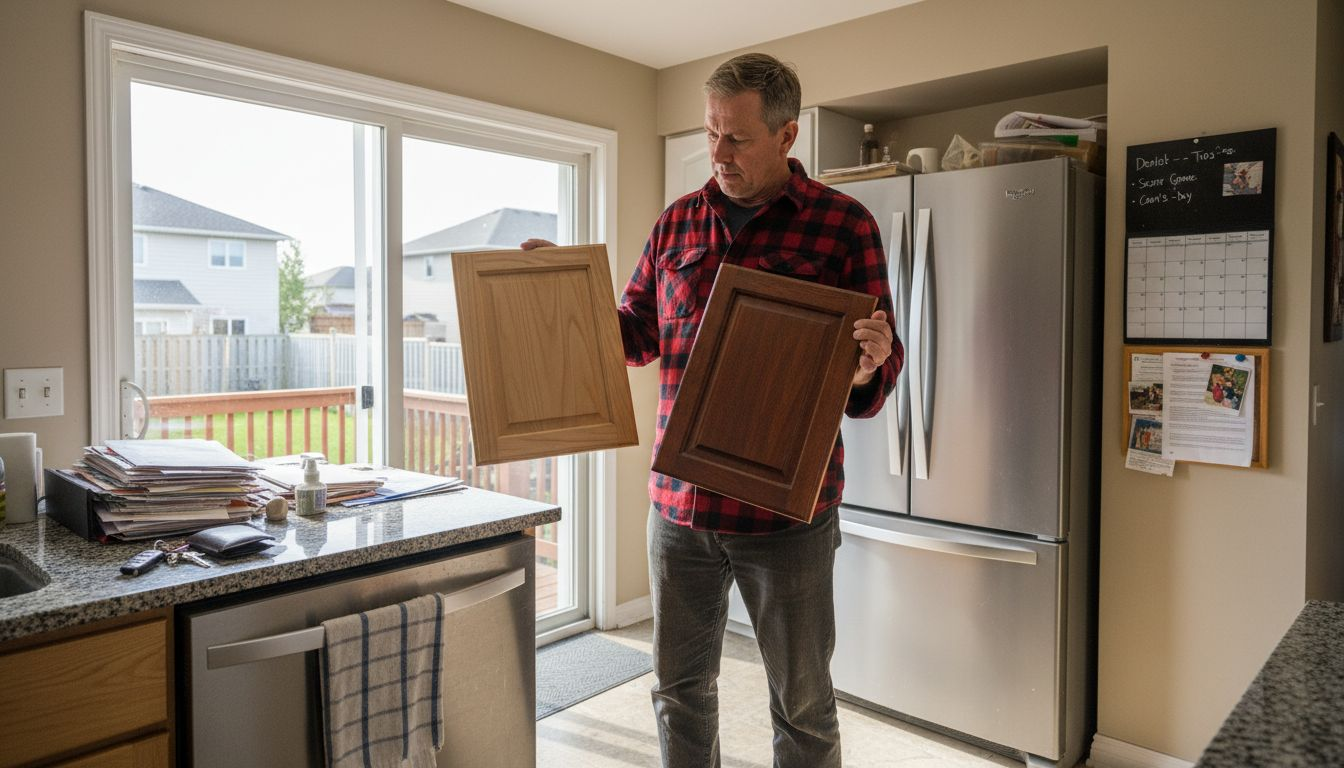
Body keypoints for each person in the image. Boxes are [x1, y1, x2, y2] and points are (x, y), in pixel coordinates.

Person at [524, 52, 900, 768]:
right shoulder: (676, 226)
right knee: (679, 691)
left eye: (738, 138)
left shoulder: (844, 226)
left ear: (787, 137)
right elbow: (635, 335)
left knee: (803, 703)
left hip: (787, 516)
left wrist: (869, 361)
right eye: (710, 133)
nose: (718, 154)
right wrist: (566, 296)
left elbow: (872, 380)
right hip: (679, 511)